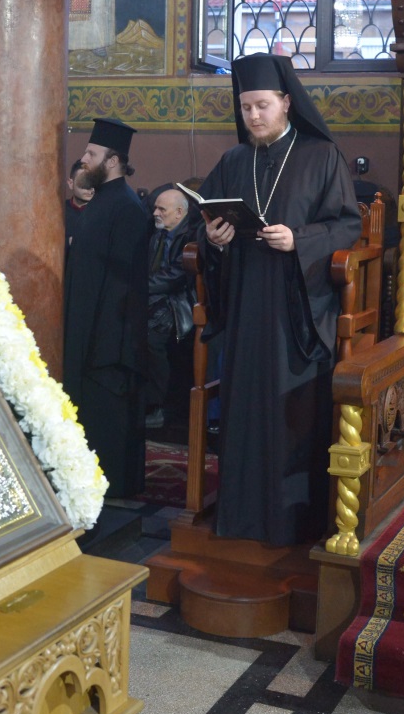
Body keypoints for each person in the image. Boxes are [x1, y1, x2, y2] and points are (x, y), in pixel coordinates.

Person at [199, 53, 361, 547]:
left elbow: (347, 225)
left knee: (289, 418)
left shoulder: (321, 156)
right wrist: (214, 239)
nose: (253, 116)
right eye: (246, 107)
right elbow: (203, 223)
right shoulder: (233, 161)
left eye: (262, 106)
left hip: (295, 312)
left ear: (287, 103)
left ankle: (291, 524)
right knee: (243, 410)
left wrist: (300, 240)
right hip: (245, 304)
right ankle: (239, 518)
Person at [63, 117, 149, 497]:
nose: (84, 159)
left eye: (91, 154)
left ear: (113, 161)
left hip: (108, 343)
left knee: (108, 426)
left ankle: (114, 497)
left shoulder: (127, 207)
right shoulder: (101, 201)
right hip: (87, 330)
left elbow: (124, 286)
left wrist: (105, 347)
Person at [145, 187, 196, 431]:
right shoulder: (158, 234)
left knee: (151, 337)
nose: (155, 213)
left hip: (180, 303)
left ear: (179, 213)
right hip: (156, 298)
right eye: (155, 207)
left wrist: (139, 287)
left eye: (161, 209)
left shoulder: (191, 237)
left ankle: (161, 407)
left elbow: (176, 276)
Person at [64, 158, 94, 254]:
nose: (90, 189)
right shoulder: (58, 212)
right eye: (83, 181)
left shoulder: (103, 213)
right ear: (71, 183)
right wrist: (69, 242)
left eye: (94, 182)